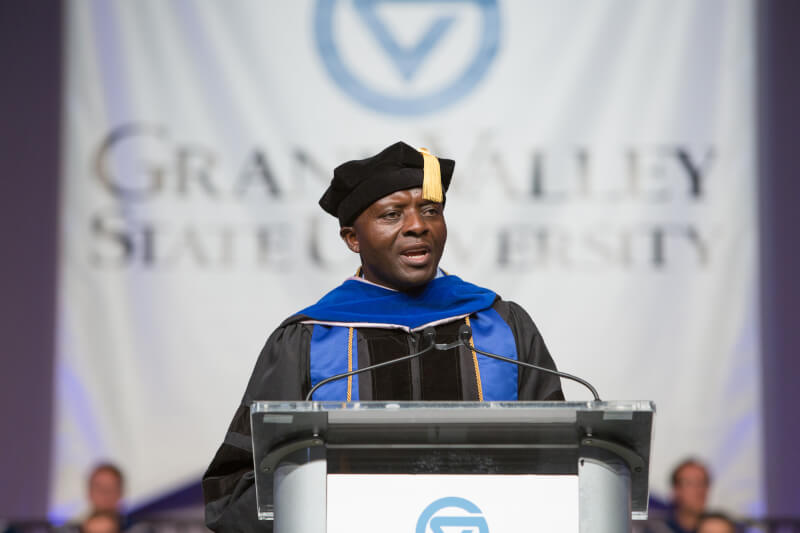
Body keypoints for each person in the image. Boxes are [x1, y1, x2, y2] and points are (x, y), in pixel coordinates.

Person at [202, 141, 565, 531]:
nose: (417, 225)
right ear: (353, 239)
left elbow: (563, 462)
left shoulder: (499, 324)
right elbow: (238, 487)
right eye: (392, 214)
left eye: (431, 211)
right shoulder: (310, 339)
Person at [641, 458, 712, 533]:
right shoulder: (655, 528)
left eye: (703, 483)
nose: (699, 490)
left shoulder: (718, 527)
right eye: (691, 483)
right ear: (676, 490)